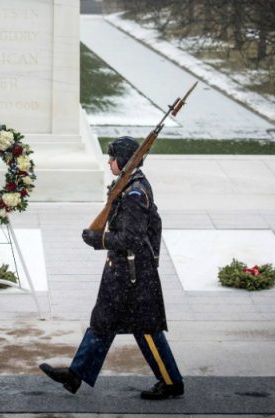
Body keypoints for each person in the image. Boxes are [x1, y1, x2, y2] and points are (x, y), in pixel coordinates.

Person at [39, 136, 184, 400]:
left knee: (147, 329)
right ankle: (75, 376)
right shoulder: (128, 185)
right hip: (121, 271)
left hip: (134, 275)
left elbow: (133, 238)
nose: (108, 162)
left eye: (112, 158)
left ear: (124, 161)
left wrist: (99, 240)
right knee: (102, 323)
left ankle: (172, 382)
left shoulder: (134, 194)